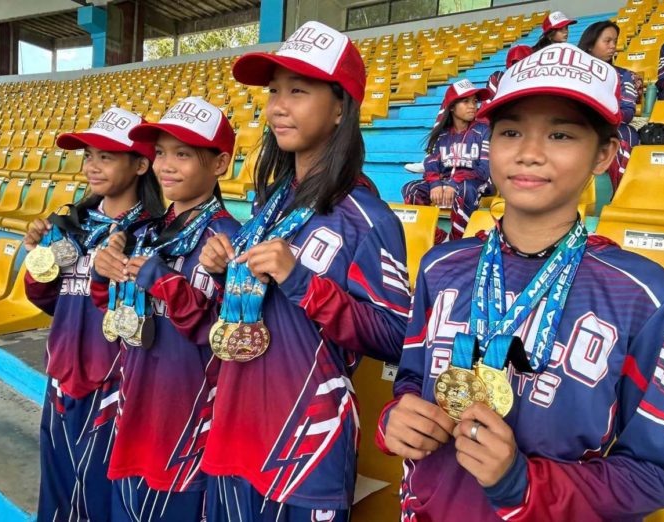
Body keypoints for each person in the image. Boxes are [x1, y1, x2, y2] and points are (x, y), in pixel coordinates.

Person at [377, 43, 664, 521]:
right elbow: (414, 378)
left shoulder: (646, 298)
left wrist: (523, 483)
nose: (528, 153)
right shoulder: (441, 268)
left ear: (604, 153)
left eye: (560, 135)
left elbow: (660, 472)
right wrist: (397, 416)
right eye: (511, 132)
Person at [197, 20, 410, 522]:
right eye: (273, 92)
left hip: (304, 448)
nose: (277, 106)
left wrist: (301, 283)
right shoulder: (269, 207)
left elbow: (399, 335)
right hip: (235, 427)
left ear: (340, 108)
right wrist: (223, 269)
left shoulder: (369, 219)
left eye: (298, 91)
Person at [90, 97, 241, 521]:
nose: (165, 165)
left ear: (220, 163)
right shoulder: (143, 232)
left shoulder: (230, 241)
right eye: (159, 153)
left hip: (188, 420)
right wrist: (105, 276)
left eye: (183, 154)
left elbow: (233, 339)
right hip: (135, 407)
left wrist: (168, 284)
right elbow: (117, 315)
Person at [24, 107, 163, 522]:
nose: (92, 165)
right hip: (63, 375)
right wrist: (38, 258)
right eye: (88, 155)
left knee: (103, 499)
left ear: (140, 164)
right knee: (58, 495)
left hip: (117, 384)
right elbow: (50, 299)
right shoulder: (69, 223)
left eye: (106, 156)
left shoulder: (154, 234)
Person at [401, 79, 491, 241]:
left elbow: (484, 170)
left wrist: (454, 182)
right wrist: (435, 184)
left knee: (464, 188)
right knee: (411, 189)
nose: (473, 106)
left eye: (475, 101)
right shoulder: (441, 135)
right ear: (451, 107)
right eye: (466, 101)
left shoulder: (483, 131)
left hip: (475, 185)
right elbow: (431, 163)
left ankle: (457, 241)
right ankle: (438, 238)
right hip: (446, 184)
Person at [579, 20, 640, 193]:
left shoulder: (623, 75)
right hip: (580, 126)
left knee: (626, 132)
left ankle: (619, 193)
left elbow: (627, 112)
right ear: (590, 45)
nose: (613, 46)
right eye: (607, 41)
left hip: (610, 126)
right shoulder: (575, 74)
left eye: (615, 41)